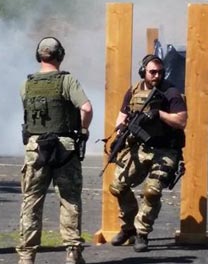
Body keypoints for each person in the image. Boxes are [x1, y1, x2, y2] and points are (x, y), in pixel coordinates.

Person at [16, 37, 93, 264]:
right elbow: (86, 108)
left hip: (36, 148)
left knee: (31, 201)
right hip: (64, 148)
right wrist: (83, 129)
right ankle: (72, 254)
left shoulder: (27, 84)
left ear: (39, 56)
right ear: (60, 55)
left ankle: (27, 256)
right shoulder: (67, 81)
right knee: (69, 200)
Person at [109, 54, 187, 252]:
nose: (157, 76)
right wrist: (121, 130)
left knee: (152, 191)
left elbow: (181, 121)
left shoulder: (170, 93)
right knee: (117, 186)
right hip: (139, 147)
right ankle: (129, 228)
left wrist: (159, 114)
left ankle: (142, 233)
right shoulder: (134, 91)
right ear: (143, 71)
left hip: (165, 150)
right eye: (152, 72)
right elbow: (121, 117)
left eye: (160, 72)